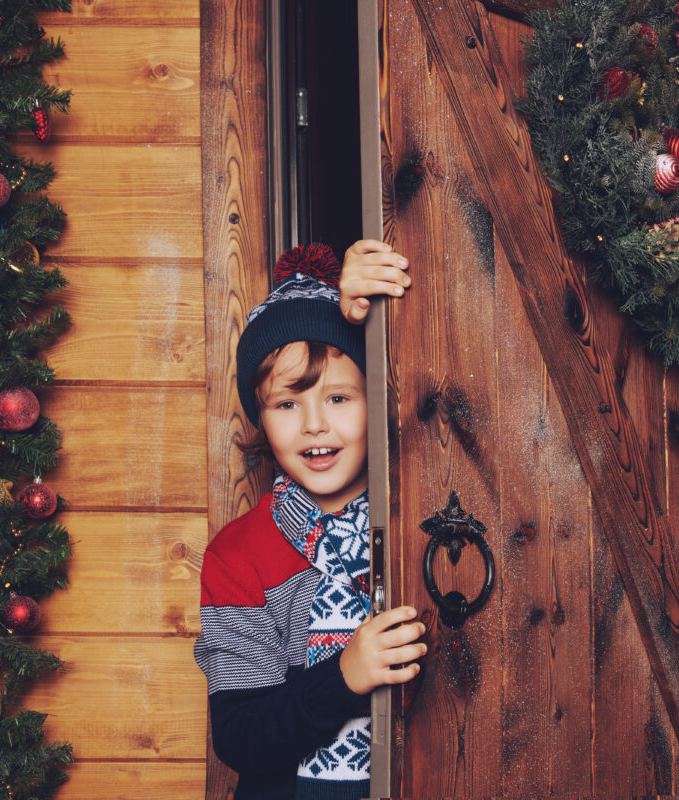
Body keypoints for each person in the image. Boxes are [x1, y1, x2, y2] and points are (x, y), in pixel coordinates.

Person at [194, 239, 417, 800]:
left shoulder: (421, 518)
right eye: (287, 404)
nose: (315, 425)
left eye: (339, 398)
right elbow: (240, 736)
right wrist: (345, 676)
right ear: (260, 418)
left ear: (377, 398)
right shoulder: (237, 555)